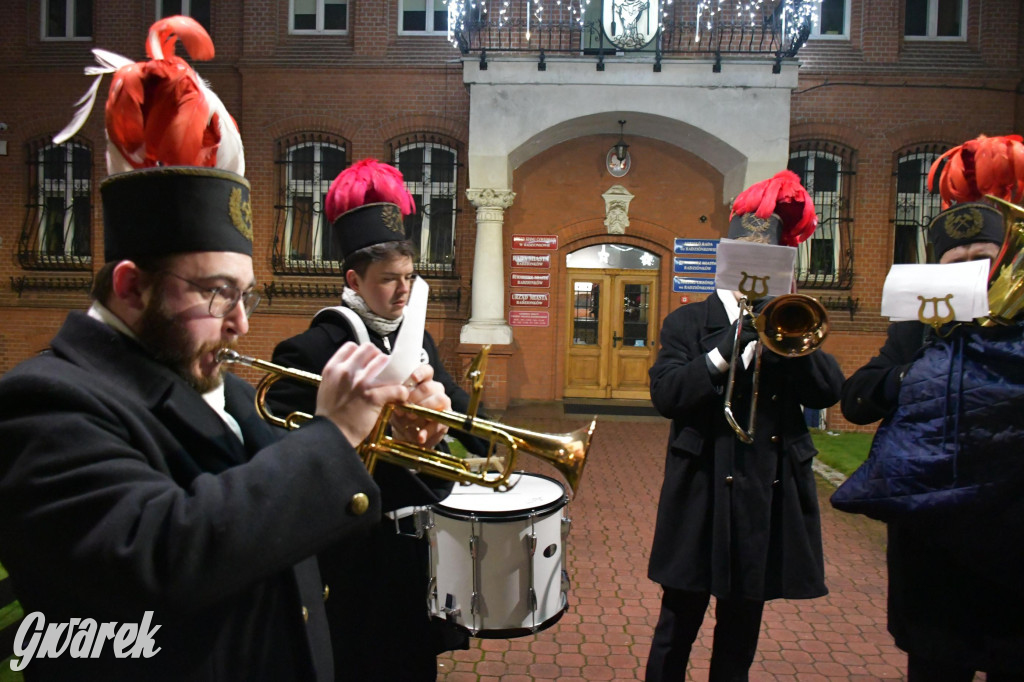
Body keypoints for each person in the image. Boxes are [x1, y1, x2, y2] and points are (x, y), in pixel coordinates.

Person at [0, 18, 449, 681]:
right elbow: (167, 552)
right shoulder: (45, 404)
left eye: (246, 296)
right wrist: (335, 434)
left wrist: (413, 440)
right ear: (132, 289)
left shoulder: (227, 392)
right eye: (216, 295)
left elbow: (305, 525)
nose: (240, 324)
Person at [266, 159, 480, 681]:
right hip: (352, 561)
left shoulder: (418, 340)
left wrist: (448, 420)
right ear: (354, 280)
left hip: (411, 553)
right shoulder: (312, 349)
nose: (403, 291)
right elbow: (284, 456)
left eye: (409, 277)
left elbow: (460, 413)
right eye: (389, 280)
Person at [645, 170, 844, 682]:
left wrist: (785, 334)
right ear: (724, 259)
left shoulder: (791, 322)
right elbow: (667, 395)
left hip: (762, 492)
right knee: (677, 623)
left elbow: (829, 390)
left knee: (741, 628)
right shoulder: (686, 324)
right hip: (702, 489)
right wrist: (728, 346)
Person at [839, 135, 1024, 681]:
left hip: (1012, 550)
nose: (969, 271)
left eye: (980, 260)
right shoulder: (917, 324)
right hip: (935, 559)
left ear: (1003, 259)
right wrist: (918, 371)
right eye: (956, 262)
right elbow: (856, 400)